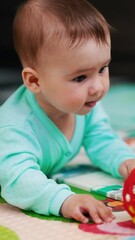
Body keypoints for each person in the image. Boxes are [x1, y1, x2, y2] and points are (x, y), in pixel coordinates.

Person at [0, 0, 135, 225]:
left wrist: (125, 160)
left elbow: (101, 139)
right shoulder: (15, 127)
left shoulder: (85, 103)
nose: (98, 87)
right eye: (80, 77)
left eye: (102, 69)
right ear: (34, 80)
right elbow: (18, 180)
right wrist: (65, 200)